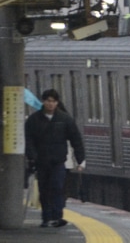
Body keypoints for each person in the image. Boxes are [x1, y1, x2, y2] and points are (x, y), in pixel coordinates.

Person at [25, 89, 85, 228]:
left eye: (53, 101)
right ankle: (46, 217)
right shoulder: (34, 120)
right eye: (48, 101)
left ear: (57, 103)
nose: (50, 104)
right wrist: (32, 157)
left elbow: (76, 139)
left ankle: (57, 216)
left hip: (58, 160)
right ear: (43, 102)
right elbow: (28, 140)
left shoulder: (64, 119)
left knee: (57, 187)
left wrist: (80, 158)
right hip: (41, 161)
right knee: (44, 189)